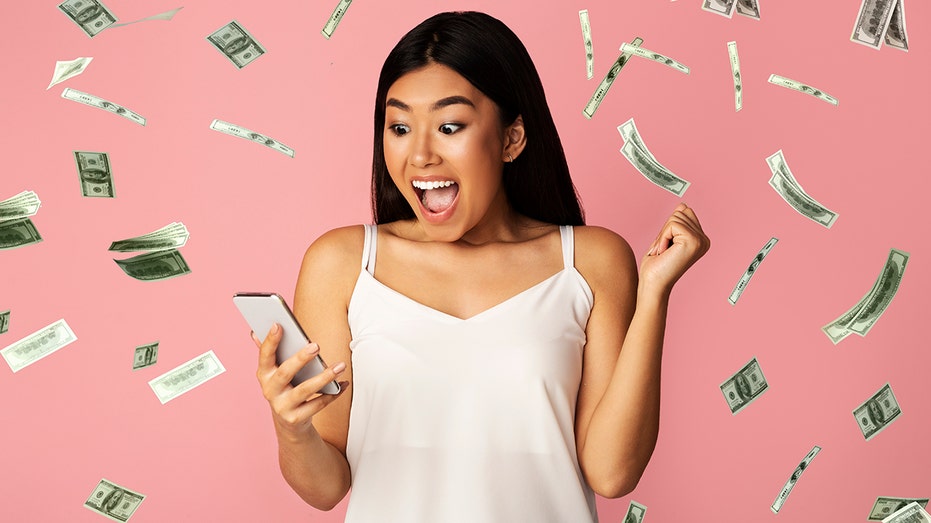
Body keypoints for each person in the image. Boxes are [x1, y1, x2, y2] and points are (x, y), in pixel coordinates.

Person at [251, 11, 709, 522]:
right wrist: (291, 427)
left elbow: (612, 473)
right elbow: (326, 488)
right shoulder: (340, 265)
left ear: (512, 138)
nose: (420, 155)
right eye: (399, 126)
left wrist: (654, 295)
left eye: (450, 126)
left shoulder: (591, 261)